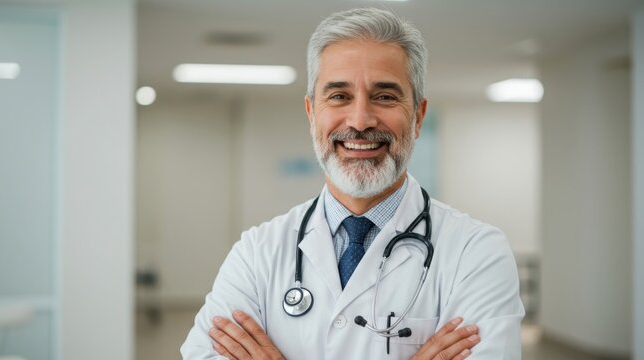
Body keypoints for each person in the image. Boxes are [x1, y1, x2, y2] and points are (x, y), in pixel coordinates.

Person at [181, 7, 524, 360]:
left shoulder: (476, 252)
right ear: (312, 113)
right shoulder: (257, 253)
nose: (360, 120)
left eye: (385, 96)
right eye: (339, 96)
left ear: (418, 117)